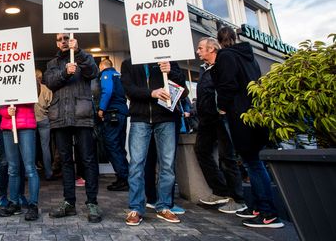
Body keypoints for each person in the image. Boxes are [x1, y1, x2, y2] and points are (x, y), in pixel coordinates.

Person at [212, 27, 284, 228]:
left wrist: (222, 107)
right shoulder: (248, 56)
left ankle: (268, 213)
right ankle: (260, 207)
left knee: (252, 162)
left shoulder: (225, 56)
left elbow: (228, 84)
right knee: (254, 161)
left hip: (239, 114)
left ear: (219, 42)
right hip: (254, 114)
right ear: (235, 38)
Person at [43, 34, 102, 223]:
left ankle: (92, 202)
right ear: (56, 42)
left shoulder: (85, 57)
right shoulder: (52, 63)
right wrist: (65, 73)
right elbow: (49, 82)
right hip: (60, 116)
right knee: (66, 161)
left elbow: (93, 72)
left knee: (88, 159)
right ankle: (69, 202)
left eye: (66, 38)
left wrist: (78, 53)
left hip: (82, 115)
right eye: (60, 39)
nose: (63, 41)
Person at [121, 59, 186, 226]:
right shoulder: (128, 63)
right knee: (136, 164)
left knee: (167, 164)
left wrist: (171, 71)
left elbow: (182, 88)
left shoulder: (167, 60)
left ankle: (164, 206)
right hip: (140, 118)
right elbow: (129, 89)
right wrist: (152, 93)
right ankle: (136, 207)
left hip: (165, 118)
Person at [194, 37, 247, 214]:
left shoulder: (222, 66)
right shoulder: (204, 70)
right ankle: (220, 191)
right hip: (206, 120)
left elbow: (227, 88)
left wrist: (222, 108)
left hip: (221, 118)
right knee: (201, 150)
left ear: (212, 49)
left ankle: (238, 198)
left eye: (201, 48)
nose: (198, 51)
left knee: (227, 157)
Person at [0, 104, 40, 221]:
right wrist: (6, 112)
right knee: (13, 168)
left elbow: (33, 97)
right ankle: (14, 203)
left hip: (26, 124)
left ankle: (33, 205)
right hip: (8, 125)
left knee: (30, 168)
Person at [96, 58, 129, 192]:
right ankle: (125, 177)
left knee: (112, 145)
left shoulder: (106, 74)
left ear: (102, 66)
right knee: (119, 146)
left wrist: (101, 108)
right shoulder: (118, 76)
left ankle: (123, 178)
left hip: (112, 114)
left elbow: (107, 91)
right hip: (121, 113)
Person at [34, 69, 54, 181]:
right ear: (41, 77)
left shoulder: (27, 90)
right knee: (45, 147)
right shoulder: (47, 89)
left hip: (31, 120)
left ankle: (29, 173)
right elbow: (51, 105)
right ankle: (48, 172)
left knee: (30, 147)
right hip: (44, 120)